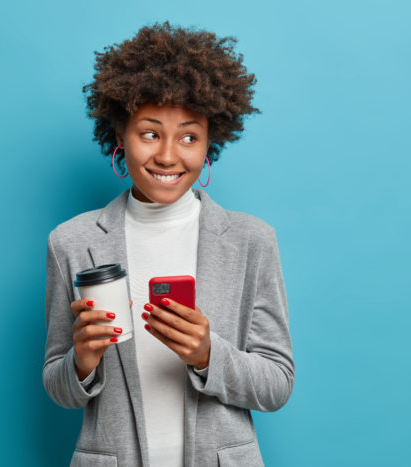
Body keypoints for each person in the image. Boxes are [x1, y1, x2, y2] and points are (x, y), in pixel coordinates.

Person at [42, 22, 294, 467]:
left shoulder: (251, 241)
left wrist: (208, 355)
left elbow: (276, 384)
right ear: (120, 136)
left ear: (209, 145)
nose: (168, 156)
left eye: (189, 137)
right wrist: (81, 361)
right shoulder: (72, 242)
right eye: (151, 132)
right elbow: (58, 389)